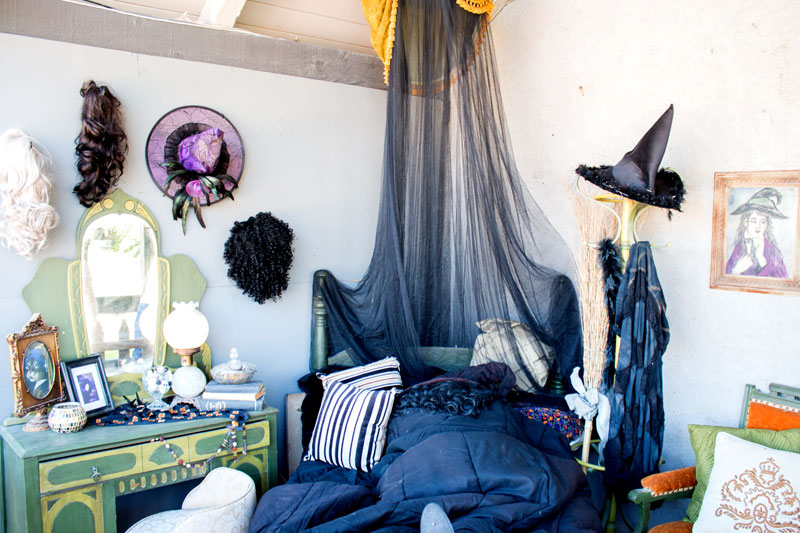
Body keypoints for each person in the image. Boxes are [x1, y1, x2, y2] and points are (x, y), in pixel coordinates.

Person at [725, 187, 789, 278]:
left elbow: (782, 278)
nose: (758, 226)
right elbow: (726, 273)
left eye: (762, 222)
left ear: (767, 225)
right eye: (753, 221)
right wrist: (735, 270)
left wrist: (761, 260)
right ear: (746, 222)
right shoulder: (739, 247)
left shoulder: (772, 251)